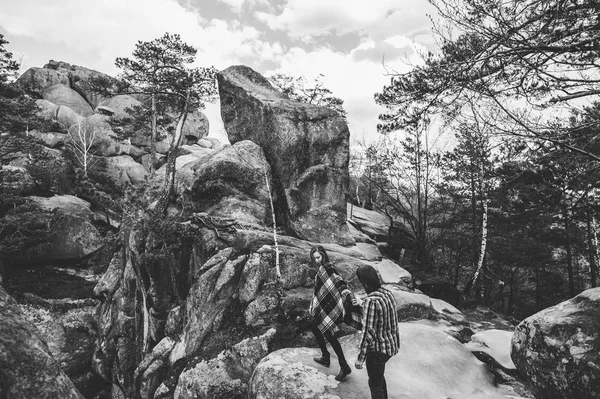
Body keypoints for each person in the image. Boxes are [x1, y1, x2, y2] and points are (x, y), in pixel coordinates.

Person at [309, 245, 362, 381]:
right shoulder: (319, 271)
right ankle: (326, 356)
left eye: (318, 257)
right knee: (314, 326)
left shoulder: (329, 268)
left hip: (331, 308)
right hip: (323, 307)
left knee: (329, 335)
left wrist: (348, 296)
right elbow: (319, 291)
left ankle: (344, 366)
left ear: (324, 256)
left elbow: (340, 283)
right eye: (314, 258)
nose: (317, 260)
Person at [355, 265, 400, 399]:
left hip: (377, 350)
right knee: (378, 377)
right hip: (390, 345)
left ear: (365, 282)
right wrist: (362, 304)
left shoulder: (371, 301)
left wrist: (360, 358)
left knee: (374, 384)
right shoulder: (387, 293)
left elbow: (368, 332)